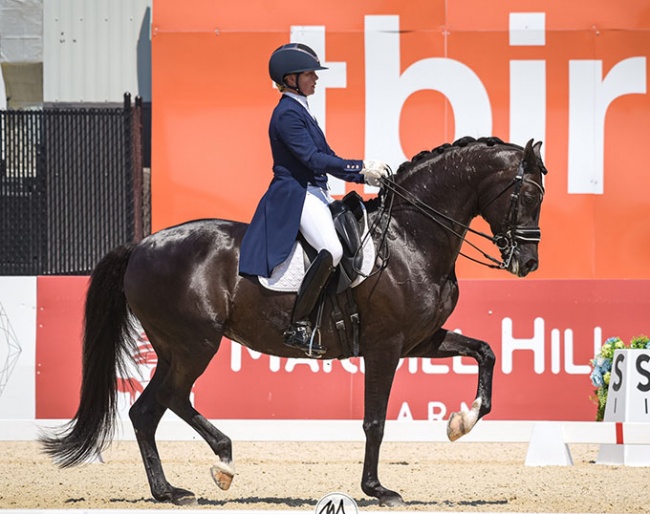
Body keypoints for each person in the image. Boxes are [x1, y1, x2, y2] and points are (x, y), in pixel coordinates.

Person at [239, 43, 389, 356]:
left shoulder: (301, 109)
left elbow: (328, 156)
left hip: (314, 191)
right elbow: (312, 158)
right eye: (309, 74)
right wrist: (359, 165)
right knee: (332, 249)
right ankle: (299, 324)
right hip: (295, 193)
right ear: (290, 78)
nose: (315, 79)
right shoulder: (286, 114)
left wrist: (365, 177)